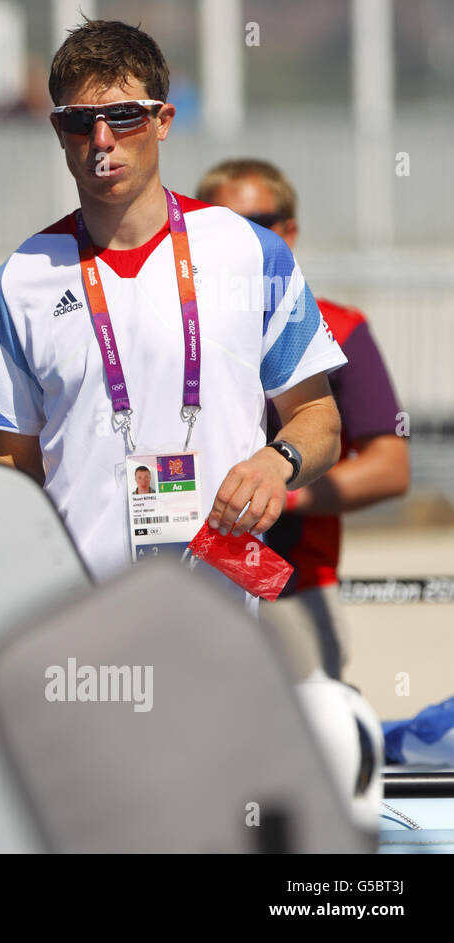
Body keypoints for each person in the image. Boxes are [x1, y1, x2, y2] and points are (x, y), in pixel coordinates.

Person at [0, 20, 345, 611]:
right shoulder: (20, 280)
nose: (101, 139)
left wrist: (279, 461)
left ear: (163, 121)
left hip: (226, 610)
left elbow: (318, 417)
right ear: (58, 131)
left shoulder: (249, 252)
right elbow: (13, 459)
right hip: (83, 621)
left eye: (123, 116)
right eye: (77, 120)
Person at [198, 158, 409, 676]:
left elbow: (390, 466)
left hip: (294, 585)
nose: (244, 239)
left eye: (258, 223)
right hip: (191, 580)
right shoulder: (174, 329)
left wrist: (275, 489)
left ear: (288, 231)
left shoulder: (338, 326)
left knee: (307, 744)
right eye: (225, 223)